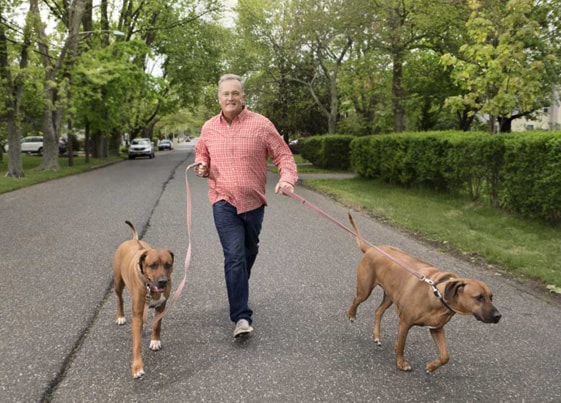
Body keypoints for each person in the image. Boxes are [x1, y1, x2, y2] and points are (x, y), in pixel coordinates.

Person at [194, 74, 298, 338]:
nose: (230, 98)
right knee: (235, 256)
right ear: (218, 98)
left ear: (243, 97)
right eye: (225, 94)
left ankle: (237, 284)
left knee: (249, 252)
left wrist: (286, 179)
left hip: (253, 203)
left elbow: (283, 154)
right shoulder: (208, 128)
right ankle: (241, 316)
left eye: (235, 93)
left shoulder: (261, 125)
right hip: (222, 201)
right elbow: (201, 154)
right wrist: (202, 166)